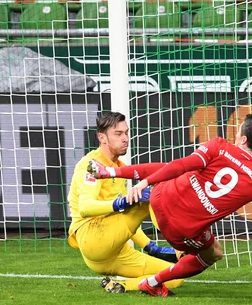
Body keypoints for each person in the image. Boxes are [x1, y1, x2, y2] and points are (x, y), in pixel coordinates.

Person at [88, 114, 252, 297]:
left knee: (182, 168)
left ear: (243, 139)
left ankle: (110, 173)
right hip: (180, 230)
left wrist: (146, 182)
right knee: (213, 252)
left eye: (238, 133)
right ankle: (152, 282)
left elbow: (178, 166)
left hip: (158, 199)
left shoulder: (217, 146)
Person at [68, 111, 184, 294]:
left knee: (175, 276)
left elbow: (124, 220)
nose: (125, 138)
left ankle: (119, 286)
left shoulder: (119, 169)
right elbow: (85, 207)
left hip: (114, 252)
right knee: (152, 196)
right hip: (92, 237)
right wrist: (119, 203)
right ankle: (181, 248)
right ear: (102, 138)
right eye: (118, 134)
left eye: (126, 133)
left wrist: (150, 246)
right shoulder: (90, 165)